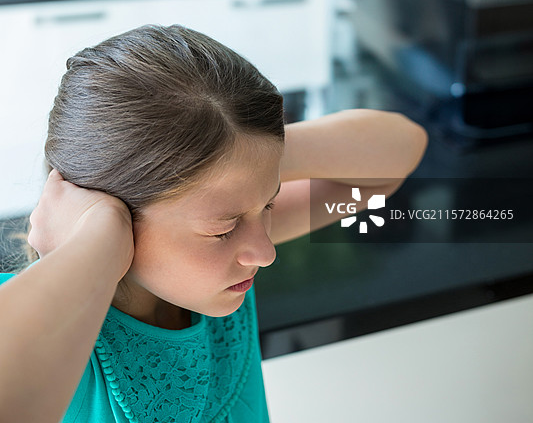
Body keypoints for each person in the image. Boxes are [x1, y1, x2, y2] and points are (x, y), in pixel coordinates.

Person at [0, 23, 428, 423]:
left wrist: (253, 153)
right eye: (222, 229)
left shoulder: (206, 267)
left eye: (268, 206)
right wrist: (94, 240)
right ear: (117, 219)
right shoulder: (43, 322)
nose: (265, 252)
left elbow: (396, 158)